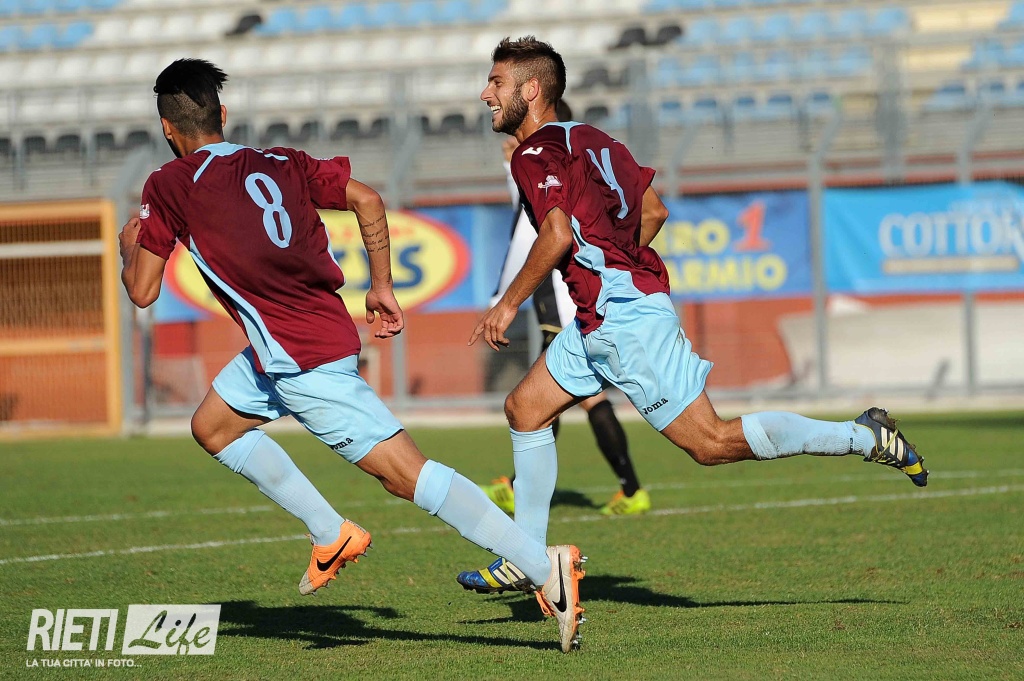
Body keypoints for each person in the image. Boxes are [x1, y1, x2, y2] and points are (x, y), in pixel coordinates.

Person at [118, 58, 585, 653]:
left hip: (300, 360)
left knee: (406, 476)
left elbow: (143, 291)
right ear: (223, 115)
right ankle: (330, 532)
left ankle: (544, 567)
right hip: (291, 344)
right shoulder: (280, 161)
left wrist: (129, 246)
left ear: (167, 127)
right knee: (212, 426)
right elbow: (367, 198)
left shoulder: (168, 184)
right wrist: (381, 284)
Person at [456, 36, 927, 595]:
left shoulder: (533, 154)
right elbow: (654, 210)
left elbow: (556, 234)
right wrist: (617, 264)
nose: (486, 93)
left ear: (531, 90)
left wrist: (509, 303)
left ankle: (862, 436)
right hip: (602, 313)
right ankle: (528, 557)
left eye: (497, 82)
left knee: (711, 443)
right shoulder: (592, 139)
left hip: (621, 318)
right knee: (525, 408)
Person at [480, 99, 650, 518]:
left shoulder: (543, 167)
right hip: (572, 299)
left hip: (562, 300)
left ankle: (627, 490)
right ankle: (526, 486)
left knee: (544, 399)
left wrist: (502, 300)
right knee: (556, 398)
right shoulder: (575, 163)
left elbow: (530, 235)